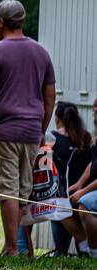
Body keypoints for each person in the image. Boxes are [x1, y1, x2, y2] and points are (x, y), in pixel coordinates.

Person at [0, 0, 56, 256]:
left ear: (0, 22)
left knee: (7, 191)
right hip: (32, 131)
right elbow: (49, 97)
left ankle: (11, 247)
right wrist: (40, 127)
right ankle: (22, 246)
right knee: (22, 190)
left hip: (3, 132)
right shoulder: (41, 53)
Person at [51, 102, 95, 255]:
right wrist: (81, 185)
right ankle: (82, 248)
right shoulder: (87, 137)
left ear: (57, 119)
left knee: (57, 206)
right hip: (81, 189)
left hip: (70, 193)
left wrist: (81, 189)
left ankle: (78, 247)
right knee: (62, 205)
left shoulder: (55, 138)